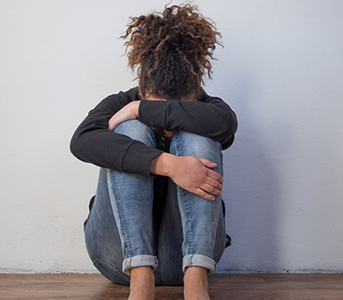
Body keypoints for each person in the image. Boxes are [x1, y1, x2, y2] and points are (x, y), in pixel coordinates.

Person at [70, 4, 237, 300]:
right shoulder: (120, 102)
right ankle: (141, 281)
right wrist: (169, 164)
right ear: (141, 88)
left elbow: (226, 124)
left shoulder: (210, 107)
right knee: (129, 130)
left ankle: (197, 286)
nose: (167, 128)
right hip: (116, 257)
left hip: (186, 259)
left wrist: (143, 110)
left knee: (199, 132)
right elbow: (82, 141)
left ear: (196, 94)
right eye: (152, 105)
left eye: (175, 110)